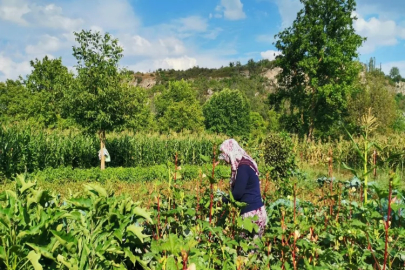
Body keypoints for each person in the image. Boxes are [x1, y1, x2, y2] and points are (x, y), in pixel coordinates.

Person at [217, 139, 267, 238]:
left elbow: (238, 194)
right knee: (256, 249)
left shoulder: (243, 168)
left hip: (251, 215)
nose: (226, 161)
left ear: (230, 153)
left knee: (244, 248)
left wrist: (222, 200)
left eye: (226, 156)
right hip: (258, 211)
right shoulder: (247, 162)